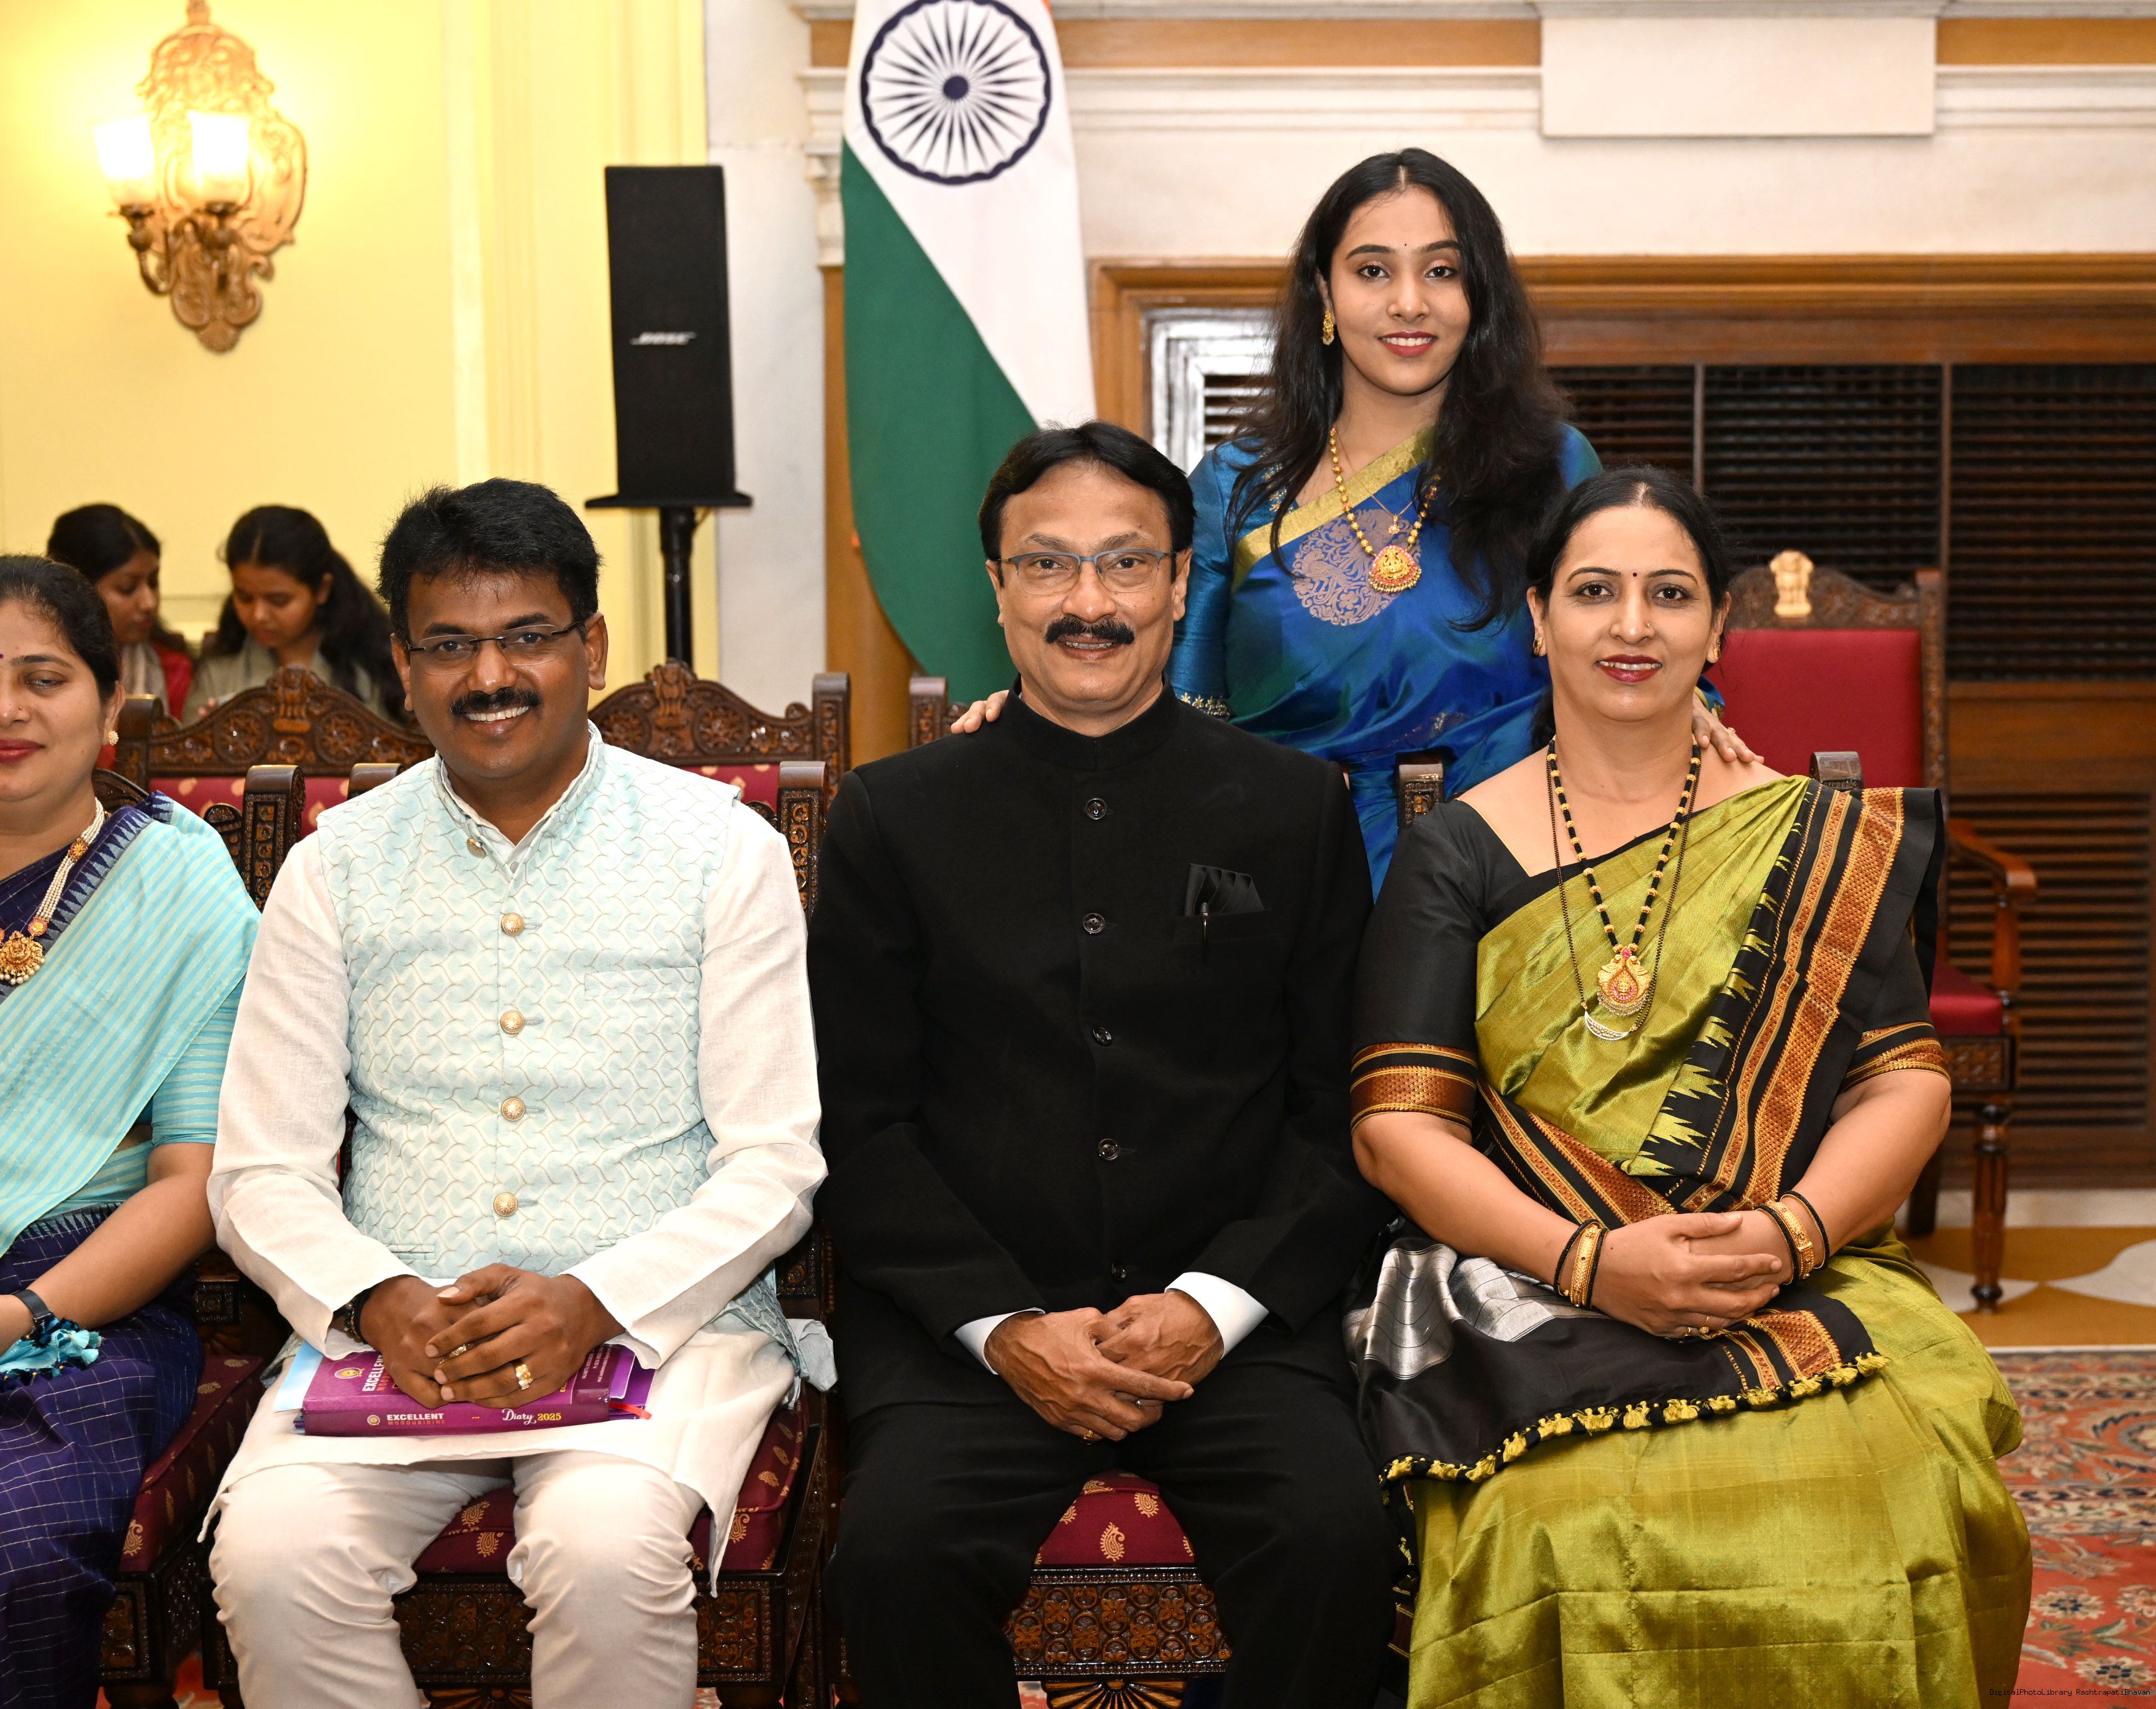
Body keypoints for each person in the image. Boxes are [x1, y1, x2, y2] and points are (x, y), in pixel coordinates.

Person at [1349, 466, 2031, 1707]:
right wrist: (1589, 1261)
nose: (1630, 625)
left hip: (1786, 1261)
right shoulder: (1456, 847)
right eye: (1592, 591)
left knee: (1896, 1476)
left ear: (1718, 626)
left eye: (1667, 594)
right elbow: (1399, 1127)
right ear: (1536, 616)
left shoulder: (1812, 834)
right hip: (1520, 1274)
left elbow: (1903, 1085)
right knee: (1552, 1515)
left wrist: (1792, 1231)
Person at [204, 478, 825, 1709]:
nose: (490, 675)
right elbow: (260, 1167)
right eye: (449, 644)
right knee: (274, 1560)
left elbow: (774, 1160)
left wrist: (596, 1298)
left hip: (660, 1328)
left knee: (602, 1550)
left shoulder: (721, 849)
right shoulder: (335, 868)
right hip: (398, 1341)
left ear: (591, 644)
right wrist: (374, 1296)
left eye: (526, 635)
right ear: (402, 665)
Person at [810, 422, 1398, 1709]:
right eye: (1047, 564)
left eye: (1126, 562)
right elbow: (859, 1123)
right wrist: (1005, 1325)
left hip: (1233, 1318)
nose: (1088, 601)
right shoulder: (890, 817)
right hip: (972, 1328)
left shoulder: (1292, 807)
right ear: (997, 586)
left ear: (1180, 583)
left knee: (1335, 1546)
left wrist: (1213, 1304)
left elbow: (1333, 1106)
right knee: (895, 1559)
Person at [954, 150, 1746, 887]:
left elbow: (1616, 630)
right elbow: (1176, 701)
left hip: (1513, 864)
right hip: (1278, 869)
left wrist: (1675, 705)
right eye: (1373, 271)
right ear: (1325, 294)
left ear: (1478, 297)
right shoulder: (1236, 488)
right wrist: (1044, 707)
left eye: (1442, 271)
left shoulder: (1553, 466)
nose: (1409, 302)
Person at [0, 556, 257, 1708]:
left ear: (112, 702)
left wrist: (23, 1313)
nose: (7, 710)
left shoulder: (178, 887)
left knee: (17, 1539)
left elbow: (190, 1180)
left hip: (85, 1301)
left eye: (42, 678)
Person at [184, 504, 401, 721]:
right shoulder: (218, 671)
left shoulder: (374, 667)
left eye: (278, 600)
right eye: (244, 597)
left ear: (322, 589)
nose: (258, 615)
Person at [45, 504, 192, 715]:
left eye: (153, 582)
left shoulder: (173, 668)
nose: (149, 603)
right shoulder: (38, 670)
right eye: (128, 588)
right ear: (79, 591)